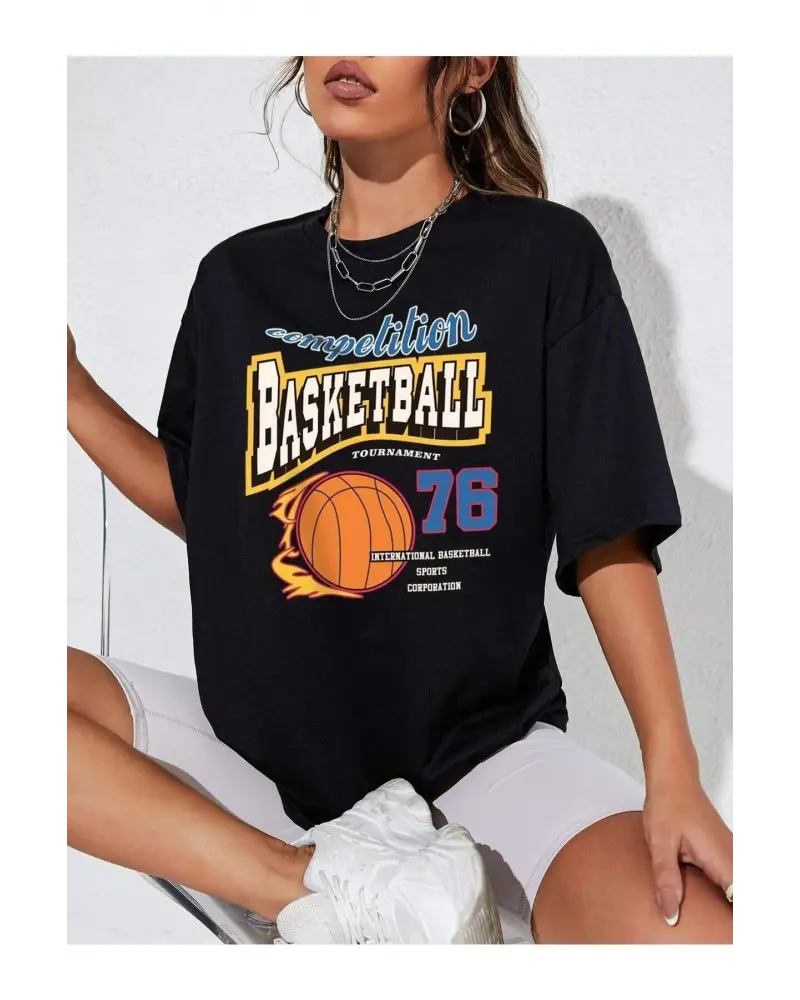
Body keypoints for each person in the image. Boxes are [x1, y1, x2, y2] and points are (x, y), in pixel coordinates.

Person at [65, 56, 735, 944]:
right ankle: (315, 890)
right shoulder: (235, 280)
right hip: (262, 781)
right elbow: (214, 510)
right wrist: (69, 391)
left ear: (470, 65)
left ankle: (367, 902)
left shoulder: (543, 256)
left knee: (703, 941)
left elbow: (607, 530)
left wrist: (673, 769)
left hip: (483, 765)